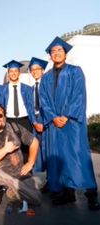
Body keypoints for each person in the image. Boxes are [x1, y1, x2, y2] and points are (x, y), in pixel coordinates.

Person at [40, 36, 100, 210]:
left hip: (72, 123)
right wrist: (52, 117)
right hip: (54, 124)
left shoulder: (75, 71)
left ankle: (91, 194)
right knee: (61, 159)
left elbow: (79, 96)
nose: (57, 53)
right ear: (50, 56)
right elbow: (44, 100)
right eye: (53, 51)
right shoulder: (46, 77)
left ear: (65, 53)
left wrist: (66, 116)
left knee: (79, 157)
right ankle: (68, 194)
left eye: (60, 50)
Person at [0, 104, 41, 212]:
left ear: (4, 117)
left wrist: (30, 162)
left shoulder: (15, 128)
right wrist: (6, 149)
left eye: (0, 115)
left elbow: (34, 142)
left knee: (36, 199)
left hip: (18, 175)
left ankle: (13, 189)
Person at [2, 60, 35, 163]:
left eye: (15, 71)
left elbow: (32, 106)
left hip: (25, 120)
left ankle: (27, 173)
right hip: (9, 121)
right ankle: (14, 175)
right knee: (12, 149)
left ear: (19, 73)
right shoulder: (2, 90)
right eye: (11, 71)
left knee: (26, 148)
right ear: (8, 73)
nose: (13, 73)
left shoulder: (28, 89)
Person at [27, 57, 47, 173]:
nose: (35, 71)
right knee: (39, 151)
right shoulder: (30, 89)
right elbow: (30, 108)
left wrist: (44, 122)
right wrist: (34, 122)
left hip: (47, 121)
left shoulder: (48, 85)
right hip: (35, 122)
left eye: (37, 69)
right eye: (32, 70)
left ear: (43, 70)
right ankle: (49, 181)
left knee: (50, 150)